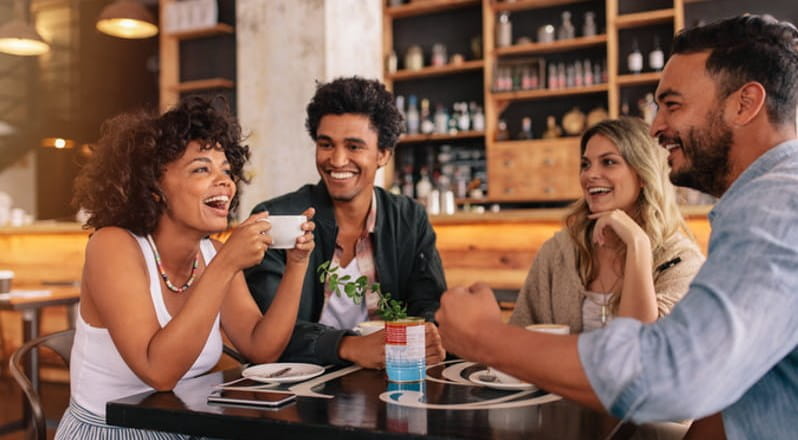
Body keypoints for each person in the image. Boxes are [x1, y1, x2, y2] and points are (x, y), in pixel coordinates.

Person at [435, 14, 798, 439]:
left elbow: (669, 376)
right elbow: (746, 394)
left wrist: (483, 337)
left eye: (673, 104)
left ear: (744, 103)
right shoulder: (763, 203)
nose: (657, 126)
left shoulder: (777, 205)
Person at [57, 96, 315, 438]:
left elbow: (261, 348)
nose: (224, 181)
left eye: (226, 169)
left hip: (188, 426)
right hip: (114, 431)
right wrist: (225, 265)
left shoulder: (213, 253)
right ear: (153, 189)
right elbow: (158, 372)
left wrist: (297, 264)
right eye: (201, 168)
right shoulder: (114, 246)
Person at [245, 77, 447, 369]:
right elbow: (264, 331)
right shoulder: (278, 219)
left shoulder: (409, 219)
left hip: (390, 379)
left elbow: (429, 307)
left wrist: (426, 337)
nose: (337, 160)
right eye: (326, 144)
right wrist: (347, 346)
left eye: (354, 147)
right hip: (297, 386)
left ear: (383, 154)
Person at [510, 117, 703, 333]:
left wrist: (637, 243)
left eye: (609, 162)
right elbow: (518, 336)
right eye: (585, 164)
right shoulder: (558, 252)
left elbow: (643, 347)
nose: (590, 175)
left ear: (643, 175)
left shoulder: (682, 262)